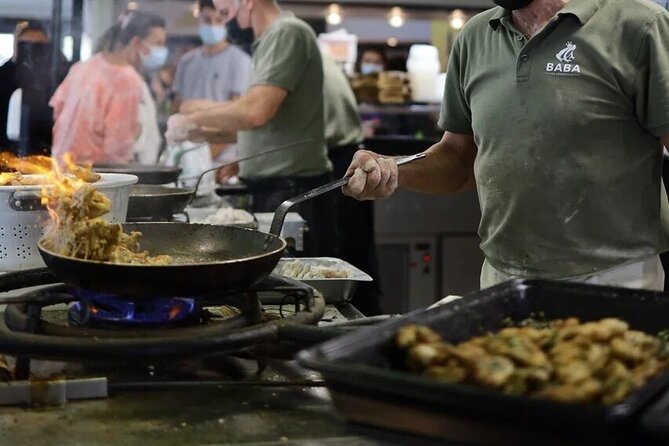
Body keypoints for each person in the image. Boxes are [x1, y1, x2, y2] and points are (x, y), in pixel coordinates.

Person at [343, 0, 669, 292]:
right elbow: (457, 157)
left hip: (616, 278)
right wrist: (392, 168)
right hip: (503, 276)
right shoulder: (476, 36)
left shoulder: (639, 26)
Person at [166, 0, 337, 257]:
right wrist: (203, 134)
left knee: (293, 285)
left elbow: (256, 111)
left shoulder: (286, 32)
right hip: (275, 186)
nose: (225, 23)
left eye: (225, 13)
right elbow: (273, 124)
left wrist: (193, 119)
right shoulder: (270, 39)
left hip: (292, 189)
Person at [50, 11, 167, 165]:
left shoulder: (81, 68)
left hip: (60, 170)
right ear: (136, 43)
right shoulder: (127, 79)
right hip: (95, 176)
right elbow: (117, 147)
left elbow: (57, 112)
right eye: (157, 44)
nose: (162, 50)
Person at [321, 51, 381, 315]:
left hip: (342, 161)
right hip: (343, 156)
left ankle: (360, 327)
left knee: (349, 256)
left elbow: (258, 114)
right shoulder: (317, 56)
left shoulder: (290, 43)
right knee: (354, 253)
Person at [171, 0, 252, 176]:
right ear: (198, 17)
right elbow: (179, 107)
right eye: (207, 19)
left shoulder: (240, 61)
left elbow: (236, 115)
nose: (213, 25)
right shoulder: (187, 62)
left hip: (222, 162)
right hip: (186, 155)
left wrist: (205, 160)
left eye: (219, 19)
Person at [0, 21, 49, 152]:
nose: (31, 52)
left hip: (43, 155)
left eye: (38, 47)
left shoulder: (53, 80)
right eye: (25, 46)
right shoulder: (2, 76)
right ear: (16, 46)